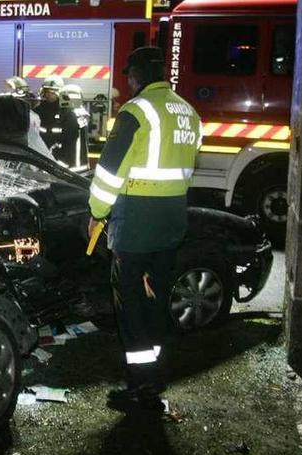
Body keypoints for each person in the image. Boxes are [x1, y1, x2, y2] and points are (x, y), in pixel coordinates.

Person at [87, 47, 202, 412]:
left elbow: (109, 172)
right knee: (155, 299)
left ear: (136, 77)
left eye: (129, 78)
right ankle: (155, 372)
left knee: (131, 306)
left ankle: (140, 386)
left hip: (136, 223)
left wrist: (97, 212)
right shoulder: (189, 112)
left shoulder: (136, 111)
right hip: (172, 221)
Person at [56, 84, 90, 169]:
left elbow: (68, 140)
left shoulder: (72, 115)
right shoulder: (81, 113)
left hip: (70, 165)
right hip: (81, 165)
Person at [33, 75, 65, 151]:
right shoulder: (37, 111)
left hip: (59, 153)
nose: (49, 94)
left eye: (53, 92)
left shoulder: (65, 112)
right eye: (47, 91)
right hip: (40, 150)